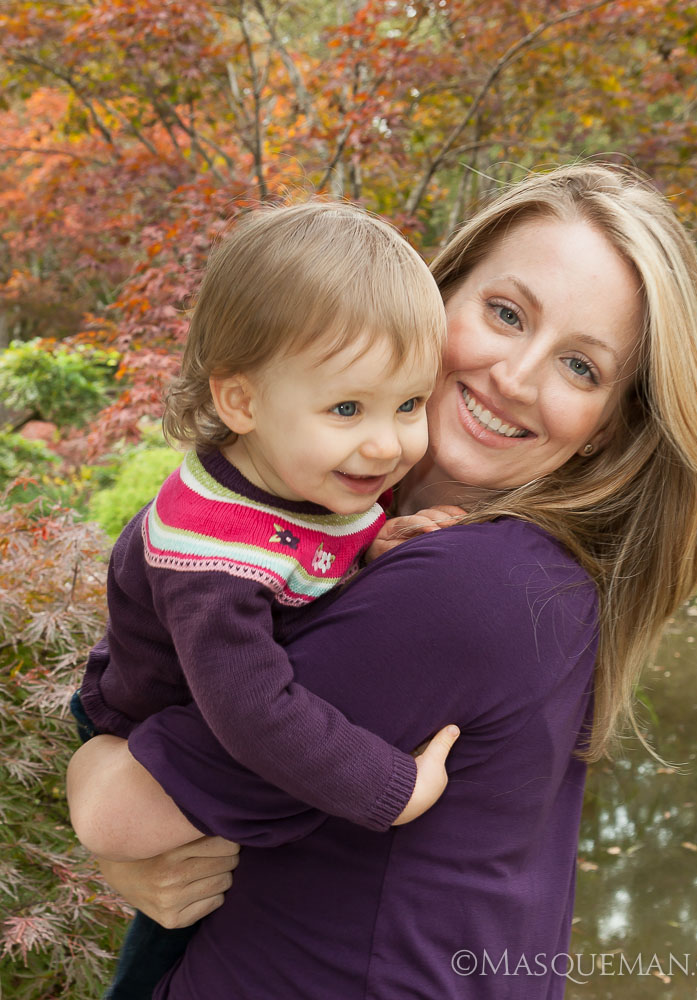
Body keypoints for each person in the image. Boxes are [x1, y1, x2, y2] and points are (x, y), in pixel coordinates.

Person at [68, 163, 697, 999]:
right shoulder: (369, 522)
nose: (515, 377)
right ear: (436, 296)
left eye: (581, 367)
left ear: (609, 429)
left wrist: (95, 777)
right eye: (506, 314)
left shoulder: (474, 589)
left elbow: (122, 810)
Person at [73, 201, 461, 998]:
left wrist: (373, 546)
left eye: (410, 405)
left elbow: (309, 551)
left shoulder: (303, 466)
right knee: (173, 928)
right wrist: (388, 789)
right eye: (348, 408)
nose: (387, 443)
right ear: (242, 403)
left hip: (212, 700)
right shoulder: (211, 555)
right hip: (152, 717)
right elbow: (253, 709)